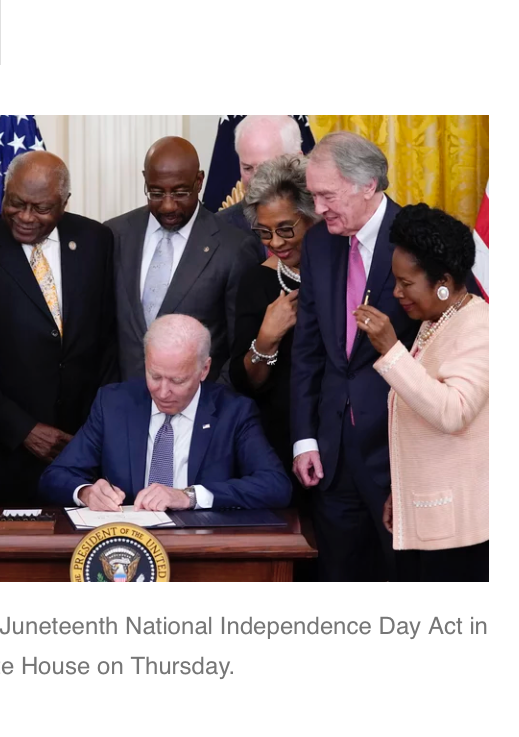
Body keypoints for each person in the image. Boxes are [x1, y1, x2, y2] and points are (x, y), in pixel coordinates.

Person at [0, 150, 117, 505]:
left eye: (41, 208)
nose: (25, 217)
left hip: (85, 448)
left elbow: (108, 341)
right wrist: (22, 429)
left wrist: (96, 429)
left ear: (64, 202)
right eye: (15, 203)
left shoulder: (96, 241)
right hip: (5, 452)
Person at [290, 131, 421, 581]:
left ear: (368, 186)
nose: (318, 208)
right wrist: (305, 437)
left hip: (397, 452)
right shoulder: (318, 243)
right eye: (314, 195)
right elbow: (308, 350)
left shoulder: (416, 238)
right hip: (331, 454)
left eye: (327, 195)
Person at [39, 314, 292, 512]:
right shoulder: (114, 404)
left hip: (202, 548)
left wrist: (189, 496)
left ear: (204, 369)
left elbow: (276, 486)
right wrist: (85, 492)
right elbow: (56, 476)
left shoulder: (233, 412)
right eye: (155, 376)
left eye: (177, 381)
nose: (162, 391)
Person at [355, 206, 488, 582]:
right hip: (429, 518)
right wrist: (402, 493)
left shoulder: (480, 327)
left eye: (406, 283)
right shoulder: (439, 322)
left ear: (443, 281)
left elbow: (452, 411)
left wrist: (391, 350)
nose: (397, 293)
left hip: (463, 531)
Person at [107, 136, 260, 382]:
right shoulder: (115, 235)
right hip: (125, 406)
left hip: (200, 408)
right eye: (156, 193)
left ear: (199, 181)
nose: (168, 206)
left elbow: (238, 349)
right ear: (145, 179)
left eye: (180, 193)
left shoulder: (234, 248)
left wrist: (214, 406)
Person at [229, 155, 319, 474]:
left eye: (285, 229)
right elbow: (248, 384)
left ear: (313, 216)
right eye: (264, 233)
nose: (276, 243)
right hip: (279, 442)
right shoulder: (257, 281)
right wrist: (266, 340)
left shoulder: (344, 275)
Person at [219, 116, 304, 225]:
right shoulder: (222, 227)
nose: (255, 181)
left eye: (265, 168)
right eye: (247, 168)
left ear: (296, 161)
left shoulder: (325, 220)